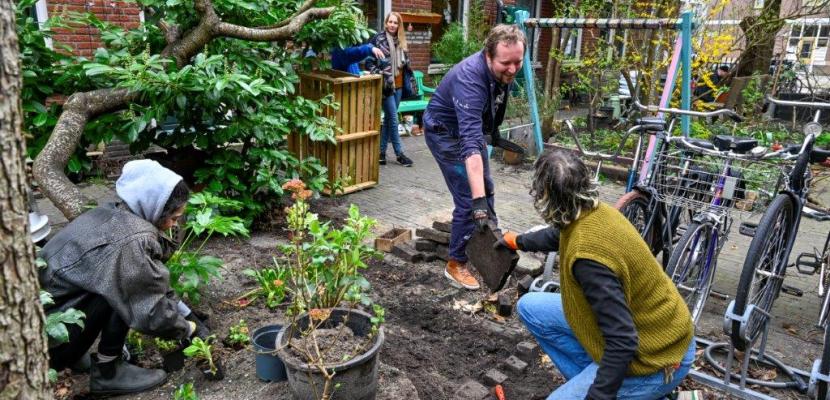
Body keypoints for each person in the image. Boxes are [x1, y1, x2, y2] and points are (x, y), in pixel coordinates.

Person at [495, 150, 696, 399]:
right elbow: (560, 233)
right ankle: (602, 384)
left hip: (658, 357)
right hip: (647, 328)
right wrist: (519, 241)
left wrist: (597, 396)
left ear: (546, 197)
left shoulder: (588, 260)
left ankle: (629, 391)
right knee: (531, 307)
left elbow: (623, 341)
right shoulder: (594, 212)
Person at [39, 159, 209, 395]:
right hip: (49, 346)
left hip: (48, 328)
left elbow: (150, 280)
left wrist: (187, 313)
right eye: (174, 217)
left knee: (116, 281)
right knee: (118, 289)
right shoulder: (132, 241)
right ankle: (108, 372)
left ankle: (76, 356)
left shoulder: (110, 213)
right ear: (155, 207)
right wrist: (187, 329)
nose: (174, 224)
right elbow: (149, 309)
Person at [422, 24, 525, 290]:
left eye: (518, 61)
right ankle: (455, 264)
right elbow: (470, 146)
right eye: (506, 63)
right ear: (488, 56)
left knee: (486, 189)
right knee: (470, 200)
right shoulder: (470, 80)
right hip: (444, 134)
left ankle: (493, 253)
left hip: (467, 131)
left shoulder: (499, 71)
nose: (513, 69)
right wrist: (478, 202)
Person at [366, 12, 414, 167]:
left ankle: (381, 154)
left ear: (399, 25)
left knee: (388, 120)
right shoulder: (378, 39)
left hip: (399, 86)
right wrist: (380, 73)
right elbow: (368, 62)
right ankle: (399, 154)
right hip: (386, 86)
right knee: (393, 119)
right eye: (390, 22)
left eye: (396, 23)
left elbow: (405, 64)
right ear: (386, 23)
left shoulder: (401, 41)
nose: (393, 25)